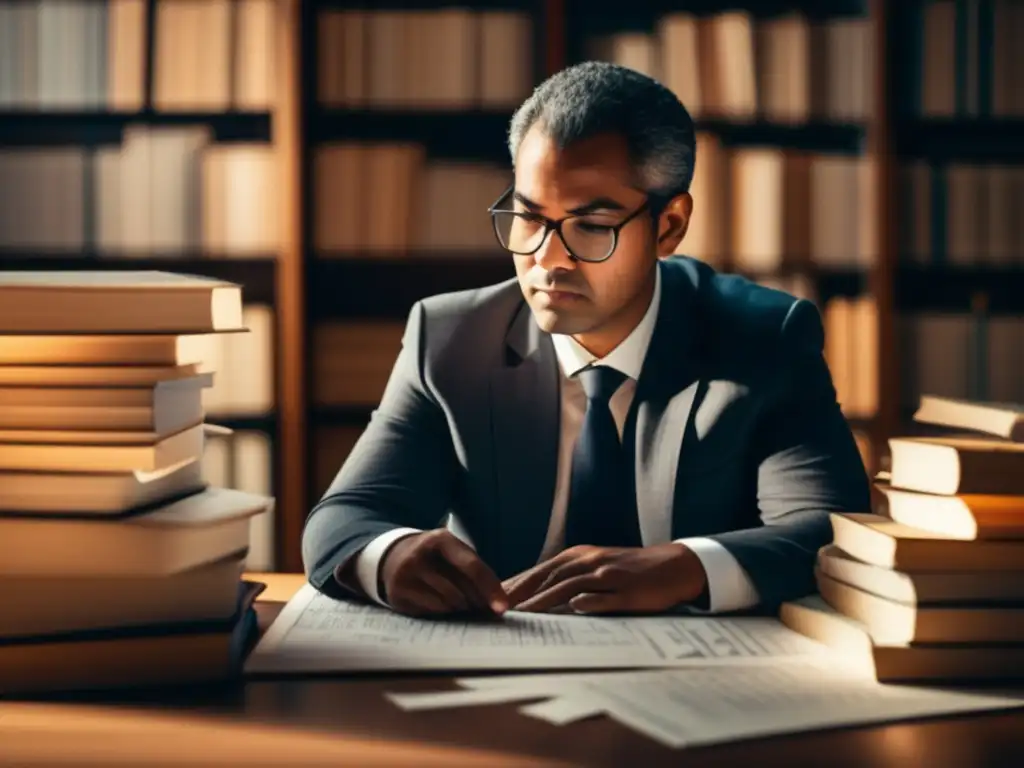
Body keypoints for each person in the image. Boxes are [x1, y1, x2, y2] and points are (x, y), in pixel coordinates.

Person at [303, 61, 871, 619]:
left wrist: (685, 568)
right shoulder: (450, 340)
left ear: (669, 226)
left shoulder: (763, 338)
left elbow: (829, 530)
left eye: (592, 226)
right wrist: (389, 554)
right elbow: (344, 519)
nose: (547, 260)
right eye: (528, 218)